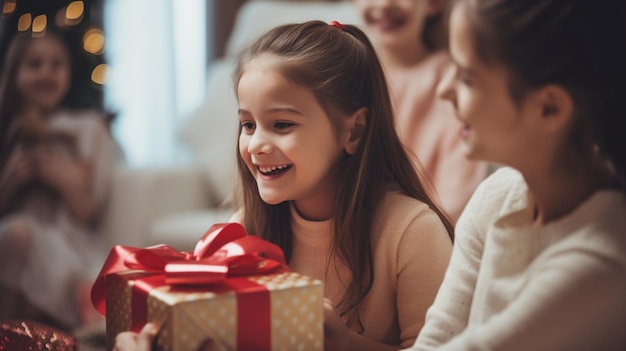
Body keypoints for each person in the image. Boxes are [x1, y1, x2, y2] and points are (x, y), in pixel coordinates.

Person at [114, 20, 454, 351]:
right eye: (248, 125)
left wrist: (344, 344)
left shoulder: (413, 232)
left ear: (354, 131)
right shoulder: (242, 233)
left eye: (281, 124)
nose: (256, 145)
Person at [405, 0, 626, 349]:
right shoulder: (495, 196)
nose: (443, 89)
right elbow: (435, 341)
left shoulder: (601, 265)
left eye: (465, 76)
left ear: (549, 108)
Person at [0, 30, 116, 331]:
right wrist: (12, 178)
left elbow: (88, 212)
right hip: (15, 237)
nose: (46, 73)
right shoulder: (9, 132)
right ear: (14, 75)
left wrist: (60, 176)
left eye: (56, 64)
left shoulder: (86, 128)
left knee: (21, 237)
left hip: (69, 243)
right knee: (17, 235)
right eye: (35, 64)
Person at [351, 0, 489, 223]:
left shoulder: (455, 82)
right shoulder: (346, 78)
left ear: (434, 4)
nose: (384, 4)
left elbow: (457, 198)